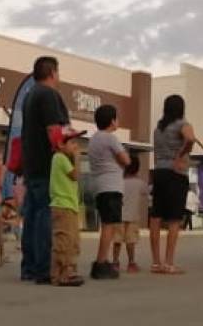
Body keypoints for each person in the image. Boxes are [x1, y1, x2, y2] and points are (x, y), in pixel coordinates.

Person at [20, 57, 69, 284]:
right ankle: (42, 269)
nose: (59, 77)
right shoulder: (48, 95)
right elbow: (54, 131)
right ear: (51, 72)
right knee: (42, 217)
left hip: (31, 165)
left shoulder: (29, 95)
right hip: (46, 165)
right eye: (58, 72)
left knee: (31, 217)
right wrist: (67, 147)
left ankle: (28, 268)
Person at [149, 94, 197, 275]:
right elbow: (190, 139)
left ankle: (156, 263)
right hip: (176, 174)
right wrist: (181, 154)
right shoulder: (183, 124)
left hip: (159, 172)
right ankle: (169, 263)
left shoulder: (158, 128)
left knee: (156, 216)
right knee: (175, 219)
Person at [88, 104, 131, 280]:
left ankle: (102, 261)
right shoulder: (111, 138)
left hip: (99, 185)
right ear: (112, 120)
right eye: (116, 117)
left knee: (107, 223)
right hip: (111, 186)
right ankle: (100, 262)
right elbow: (126, 160)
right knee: (109, 225)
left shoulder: (94, 139)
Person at [50, 128, 86, 287]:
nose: (75, 146)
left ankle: (67, 270)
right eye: (71, 142)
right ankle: (59, 274)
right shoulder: (59, 157)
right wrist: (78, 158)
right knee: (63, 240)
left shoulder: (61, 158)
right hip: (63, 206)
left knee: (72, 240)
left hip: (69, 206)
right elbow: (75, 175)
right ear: (60, 144)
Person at [114, 154, 146, 273]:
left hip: (119, 216)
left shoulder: (119, 182)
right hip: (133, 217)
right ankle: (131, 263)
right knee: (131, 241)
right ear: (137, 168)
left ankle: (115, 262)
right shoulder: (139, 183)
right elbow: (147, 191)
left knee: (117, 240)